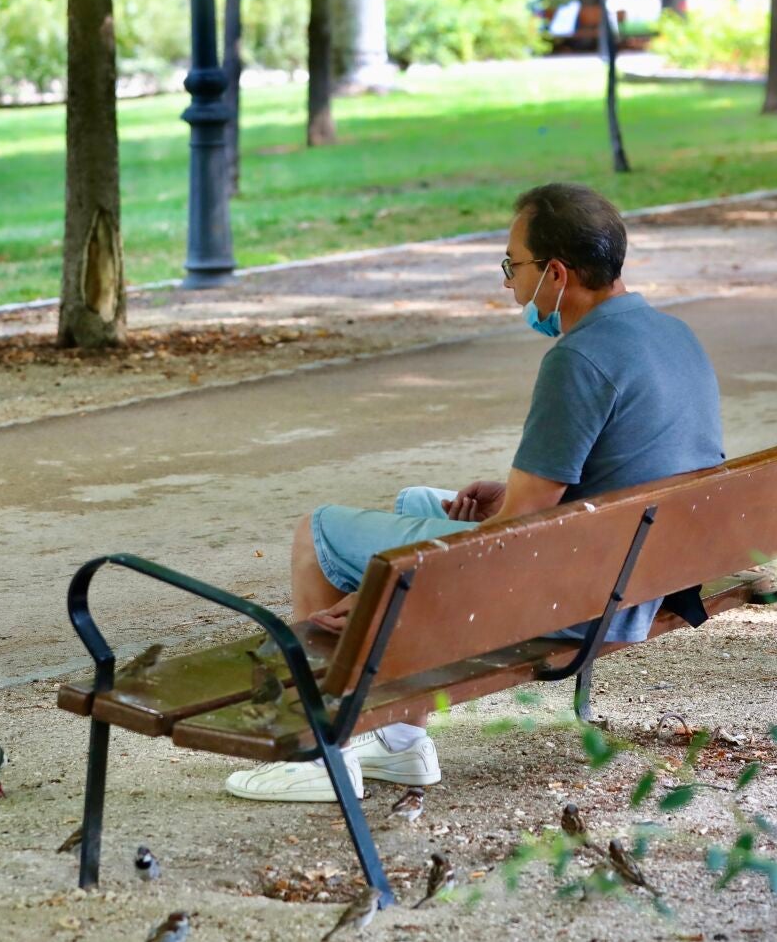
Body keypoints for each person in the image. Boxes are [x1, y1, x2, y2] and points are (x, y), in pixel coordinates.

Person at [225, 182, 725, 802]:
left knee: (318, 533)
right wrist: (511, 494)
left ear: (557, 274)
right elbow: (624, 469)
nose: (509, 282)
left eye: (512, 266)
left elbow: (519, 526)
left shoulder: (579, 360)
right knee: (417, 502)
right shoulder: (671, 333)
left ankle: (320, 750)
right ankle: (402, 743)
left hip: (578, 594)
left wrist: (385, 587)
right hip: (645, 571)